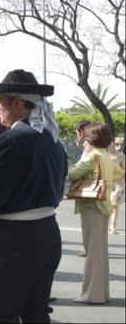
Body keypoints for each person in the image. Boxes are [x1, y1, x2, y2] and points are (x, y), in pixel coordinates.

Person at [0, 69, 67, 323]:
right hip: (48, 232)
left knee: (1, 314)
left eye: (0, 101)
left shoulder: (13, 139)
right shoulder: (53, 139)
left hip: (19, 238)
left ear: (19, 103)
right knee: (36, 312)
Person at [68, 123, 124, 304]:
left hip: (91, 205)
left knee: (92, 252)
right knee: (100, 251)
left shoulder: (92, 156)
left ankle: (91, 294)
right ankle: (102, 293)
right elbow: (120, 173)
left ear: (91, 139)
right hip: (104, 205)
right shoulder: (107, 157)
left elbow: (72, 174)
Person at [74, 119, 91, 257]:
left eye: (78, 133)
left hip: (89, 192)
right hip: (90, 191)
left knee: (88, 224)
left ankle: (89, 249)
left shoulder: (90, 148)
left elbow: (78, 170)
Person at [108, 141, 125, 234]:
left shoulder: (120, 155)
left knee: (114, 204)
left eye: (110, 142)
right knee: (106, 204)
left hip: (117, 184)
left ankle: (113, 224)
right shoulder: (104, 155)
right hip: (107, 183)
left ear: (113, 143)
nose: (108, 145)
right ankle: (107, 223)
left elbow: (124, 169)